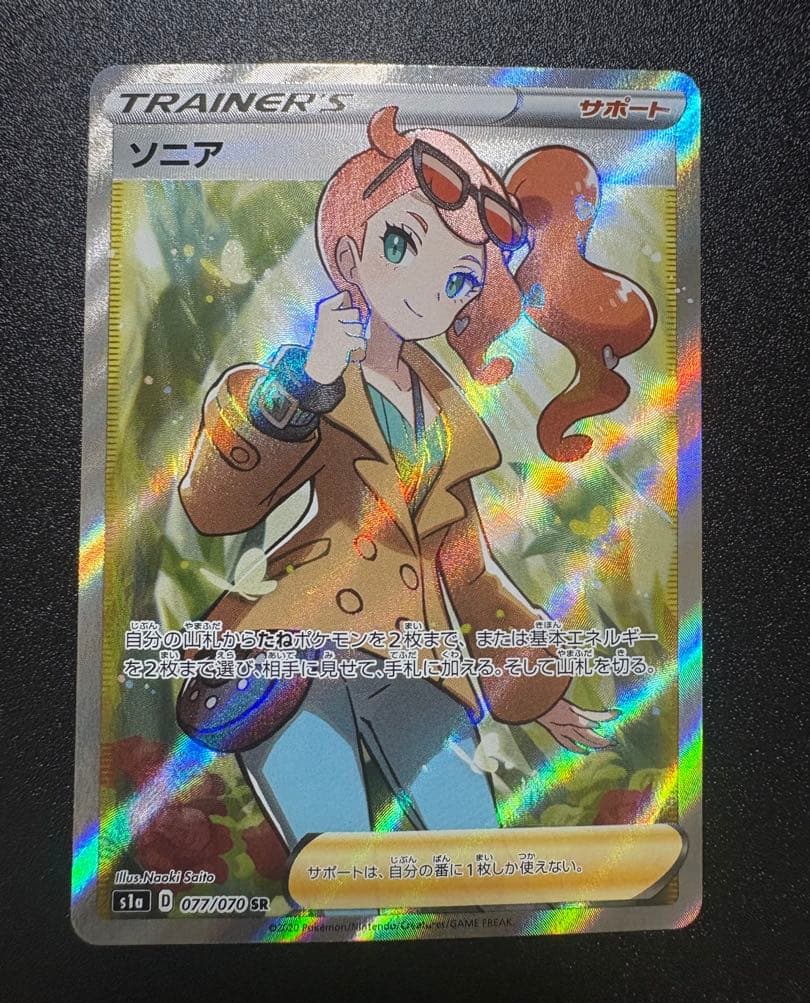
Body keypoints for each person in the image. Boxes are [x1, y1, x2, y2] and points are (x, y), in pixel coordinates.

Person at [177, 106, 655, 849]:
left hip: (418, 666)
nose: (432, 289)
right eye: (401, 243)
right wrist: (303, 383)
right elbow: (215, 507)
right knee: (336, 870)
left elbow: (469, 574)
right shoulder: (300, 380)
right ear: (349, 250)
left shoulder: (446, 419)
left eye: (460, 278)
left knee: (471, 855)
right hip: (292, 659)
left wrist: (535, 689)